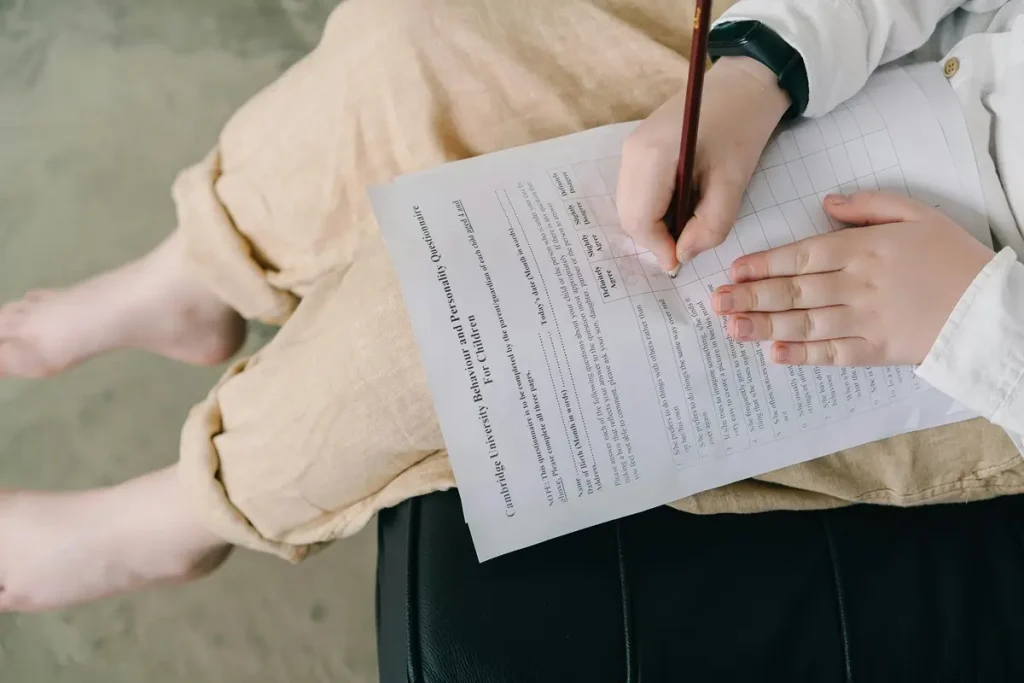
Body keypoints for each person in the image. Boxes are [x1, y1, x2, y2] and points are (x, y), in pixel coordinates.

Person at [1, 0, 1021, 612]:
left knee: (447, 326)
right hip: (929, 50)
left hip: (966, 299)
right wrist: (764, 67)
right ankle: (200, 272)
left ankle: (185, 511)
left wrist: (969, 316)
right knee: (422, 42)